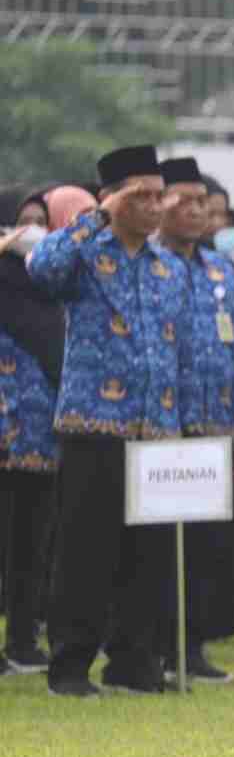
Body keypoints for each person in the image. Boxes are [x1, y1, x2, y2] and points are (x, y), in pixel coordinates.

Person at [27, 145, 185, 696]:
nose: (152, 205)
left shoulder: (170, 268)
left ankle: (135, 663)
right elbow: (40, 269)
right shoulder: (85, 255)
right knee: (85, 553)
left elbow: (182, 350)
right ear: (111, 197)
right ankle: (70, 667)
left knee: (149, 556)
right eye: (139, 194)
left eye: (158, 194)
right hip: (94, 425)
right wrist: (95, 218)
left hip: (156, 427)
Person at [152, 157, 234, 684]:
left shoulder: (219, 271)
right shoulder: (148, 262)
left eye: (205, 207)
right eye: (188, 203)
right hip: (162, 424)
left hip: (213, 425)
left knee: (204, 547)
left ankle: (191, 650)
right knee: (159, 546)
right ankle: (154, 649)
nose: (198, 214)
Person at [0, 185, 71, 673]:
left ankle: (23, 641)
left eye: (41, 221)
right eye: (22, 221)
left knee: (32, 546)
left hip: (43, 440)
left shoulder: (52, 293)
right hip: (5, 436)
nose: (33, 231)